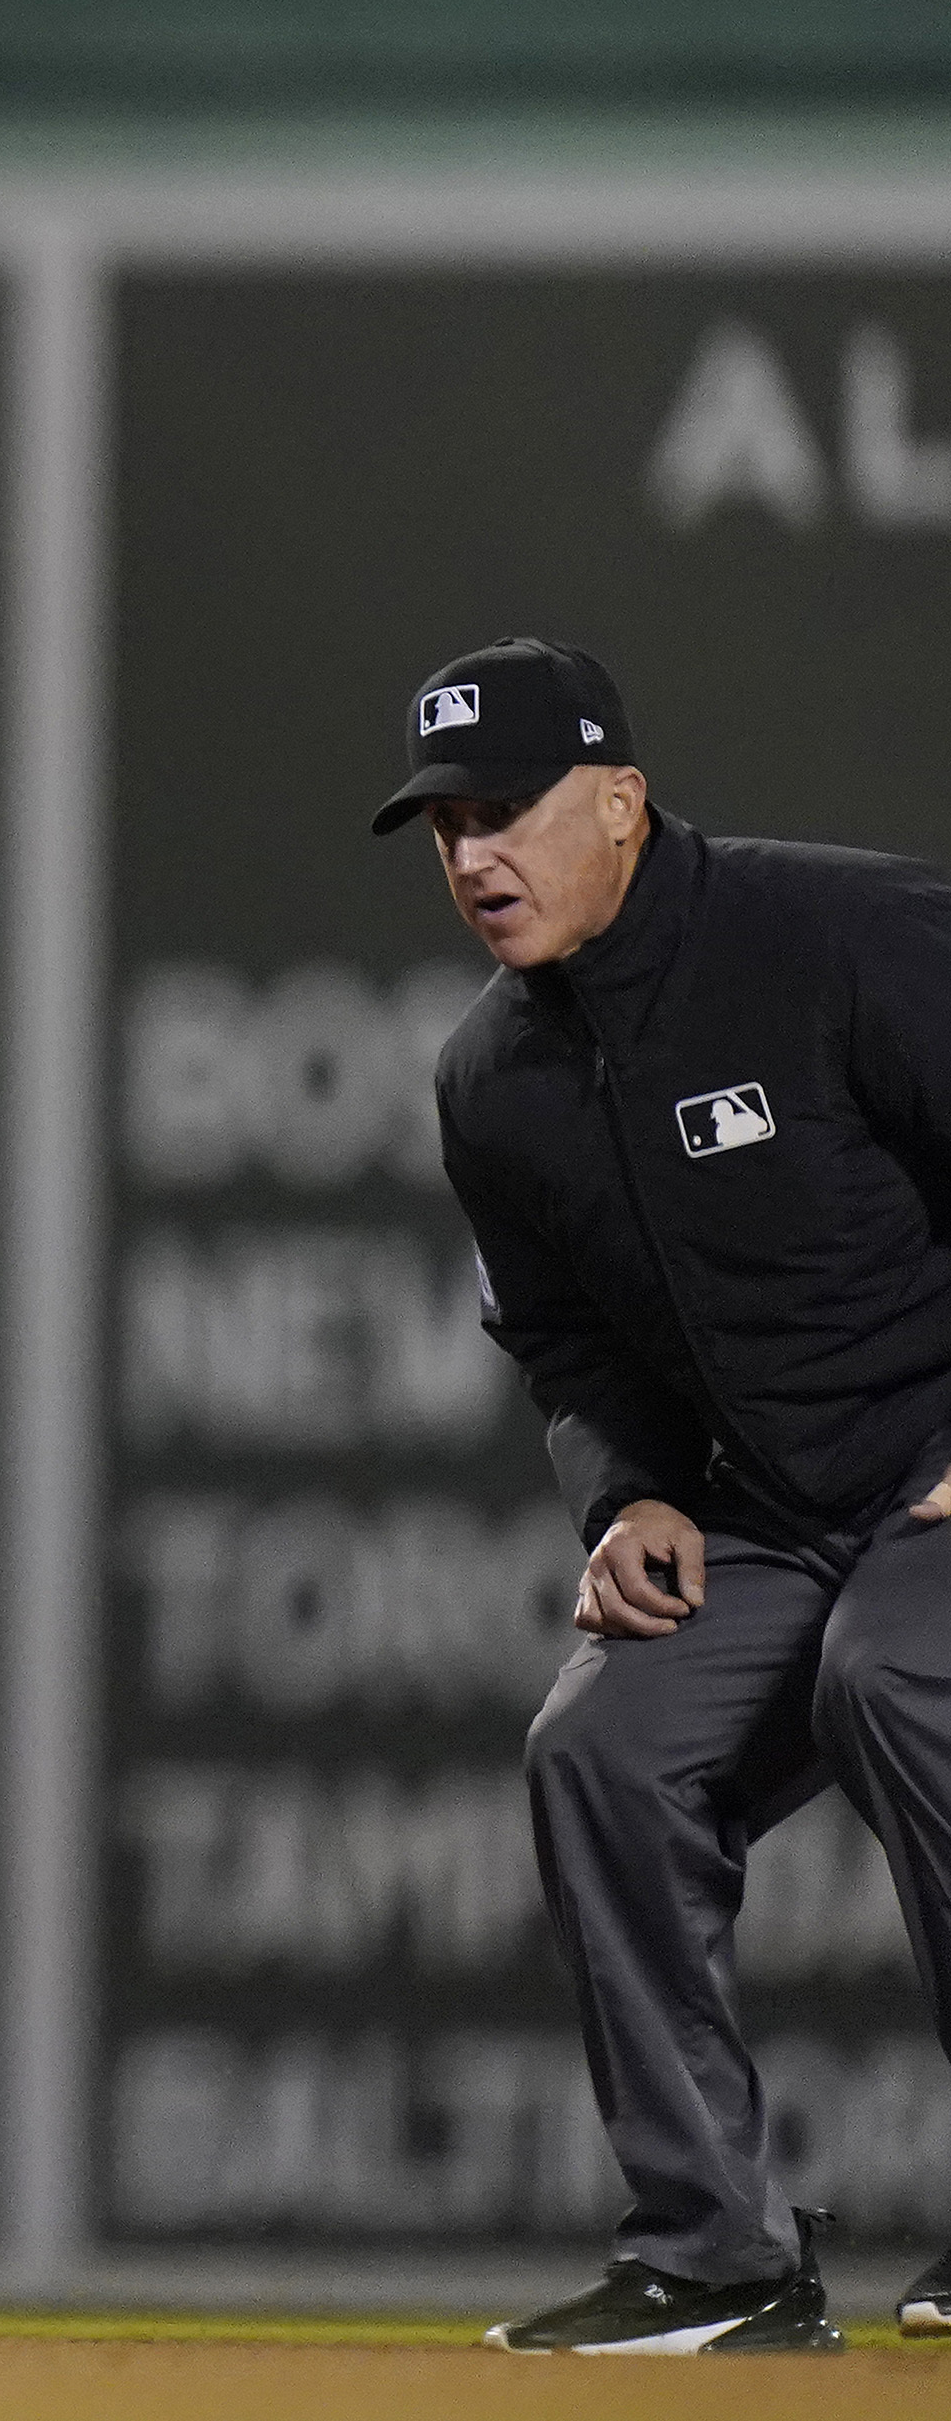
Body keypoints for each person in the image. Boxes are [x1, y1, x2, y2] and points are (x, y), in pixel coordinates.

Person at [378, 638, 951, 2353]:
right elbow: (562, 1341)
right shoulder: (495, 1077)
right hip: (781, 1514)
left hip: (938, 1487)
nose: (476, 856)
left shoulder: (832, 935)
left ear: (618, 802)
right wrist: (625, 1497)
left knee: (897, 1669)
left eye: (510, 811)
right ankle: (714, 2256)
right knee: (606, 1745)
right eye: (445, 823)